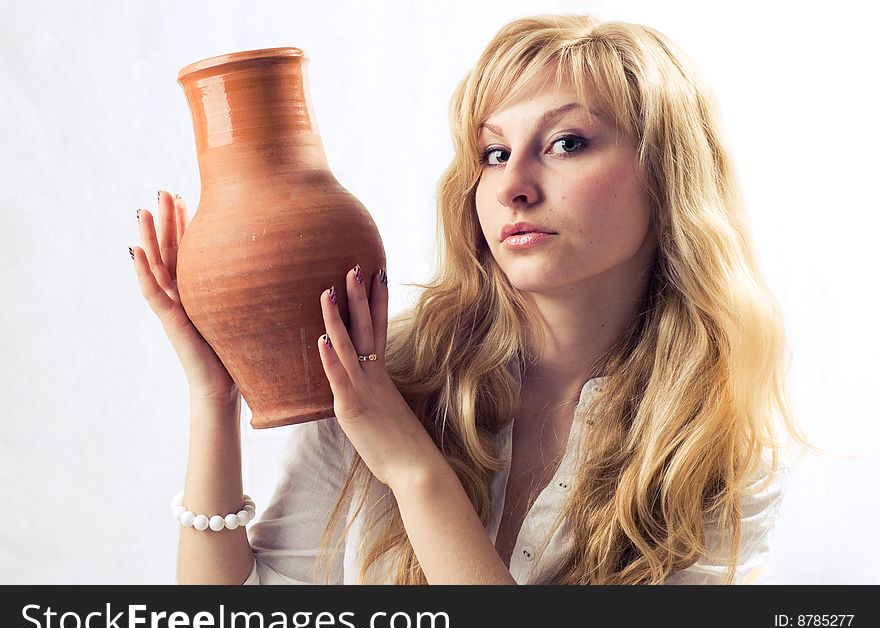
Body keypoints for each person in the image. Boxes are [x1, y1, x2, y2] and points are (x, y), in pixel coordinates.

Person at [131, 14, 813, 585]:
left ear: (667, 175)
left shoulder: (720, 448)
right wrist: (215, 396)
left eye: (566, 143)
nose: (514, 184)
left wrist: (413, 469)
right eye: (491, 153)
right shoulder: (383, 374)